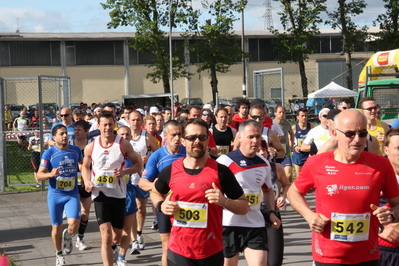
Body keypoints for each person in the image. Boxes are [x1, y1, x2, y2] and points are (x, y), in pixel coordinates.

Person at [287, 109, 399, 266]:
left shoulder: (381, 164)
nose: (357, 139)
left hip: (368, 255)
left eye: (362, 133)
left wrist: (391, 214)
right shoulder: (317, 163)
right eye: (350, 134)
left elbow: (396, 203)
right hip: (328, 256)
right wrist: (309, 216)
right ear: (334, 133)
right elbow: (294, 192)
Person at [151, 118, 248, 266]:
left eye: (202, 137)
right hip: (179, 250)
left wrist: (224, 201)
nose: (197, 141)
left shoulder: (220, 171)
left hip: (210, 250)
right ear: (183, 141)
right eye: (191, 138)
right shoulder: (171, 170)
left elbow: (244, 207)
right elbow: (155, 192)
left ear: (208, 140)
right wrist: (161, 205)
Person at [81, 111, 142, 266]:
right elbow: (85, 167)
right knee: (106, 236)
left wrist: (124, 172)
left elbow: (138, 164)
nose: (108, 128)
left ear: (114, 124)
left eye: (110, 124)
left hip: (118, 194)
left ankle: (114, 249)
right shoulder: (92, 146)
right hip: (100, 194)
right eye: (104, 124)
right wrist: (87, 181)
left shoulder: (122, 143)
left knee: (116, 237)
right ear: (99, 125)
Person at [217, 119, 281, 266]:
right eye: (250, 137)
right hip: (228, 224)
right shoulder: (224, 161)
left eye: (258, 137)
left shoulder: (264, 163)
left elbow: (267, 190)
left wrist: (271, 211)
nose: (255, 141)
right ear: (239, 137)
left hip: (255, 224)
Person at [138, 120, 187, 266]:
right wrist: (158, 187)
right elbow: (142, 182)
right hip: (165, 206)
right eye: (173, 135)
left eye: (180, 134)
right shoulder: (157, 156)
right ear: (165, 136)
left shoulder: (188, 152)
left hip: (185, 206)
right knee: (167, 245)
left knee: (185, 245)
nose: (177, 138)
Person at [36, 125, 83, 266]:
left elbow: (81, 164)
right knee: (56, 226)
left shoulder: (75, 150)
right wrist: (51, 174)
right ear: (54, 137)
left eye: (66, 133)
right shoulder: (49, 153)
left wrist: (85, 174)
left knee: (74, 224)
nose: (64, 136)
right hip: (55, 194)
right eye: (61, 134)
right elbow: (39, 174)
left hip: (72, 194)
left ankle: (68, 236)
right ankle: (59, 254)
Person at [128, 110, 159, 251]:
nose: (135, 122)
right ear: (128, 121)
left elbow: (158, 154)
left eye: (138, 120)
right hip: (127, 178)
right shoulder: (123, 136)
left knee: (140, 208)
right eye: (133, 120)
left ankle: (139, 232)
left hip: (143, 177)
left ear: (141, 122)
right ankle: (134, 239)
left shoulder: (146, 137)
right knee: (131, 209)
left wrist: (149, 157)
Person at [258, 138, 290, 266]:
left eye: (264, 150)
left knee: (274, 260)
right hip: (253, 217)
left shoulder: (276, 167)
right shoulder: (245, 169)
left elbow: (287, 184)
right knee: (259, 260)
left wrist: (283, 196)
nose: (261, 153)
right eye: (258, 150)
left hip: (273, 216)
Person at [115, 126, 139, 266]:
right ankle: (113, 248)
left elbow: (140, 170)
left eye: (127, 134)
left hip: (128, 192)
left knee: (127, 229)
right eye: (122, 134)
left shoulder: (132, 154)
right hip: (111, 194)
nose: (125, 137)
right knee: (114, 234)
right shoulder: (110, 152)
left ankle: (121, 257)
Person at [68, 120, 92, 251]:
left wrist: (87, 177)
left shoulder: (91, 146)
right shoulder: (69, 145)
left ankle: (80, 239)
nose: (76, 132)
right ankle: (69, 236)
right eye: (75, 130)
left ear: (86, 131)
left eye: (79, 130)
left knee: (85, 213)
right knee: (74, 214)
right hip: (70, 184)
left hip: (85, 183)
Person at [379, 128, 399, 265]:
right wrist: (379, 230)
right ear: (386, 150)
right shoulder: (374, 178)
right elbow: (353, 212)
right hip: (385, 252)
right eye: (398, 148)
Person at [273, 106, 294, 182]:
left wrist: (292, 145)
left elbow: (291, 133)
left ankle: (287, 191)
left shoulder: (287, 123)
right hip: (275, 153)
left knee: (288, 173)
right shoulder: (272, 124)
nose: (282, 114)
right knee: (276, 176)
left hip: (285, 153)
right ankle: (279, 191)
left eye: (283, 112)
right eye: (280, 112)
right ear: (275, 113)